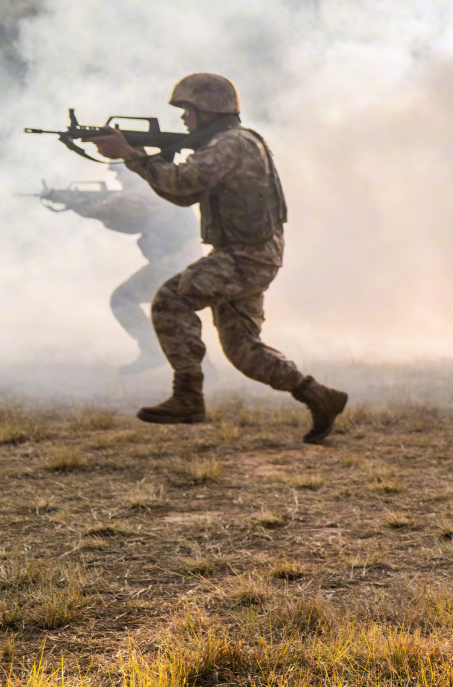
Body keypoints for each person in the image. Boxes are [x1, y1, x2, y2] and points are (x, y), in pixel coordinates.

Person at [91, 73, 348, 442]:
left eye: (187, 110)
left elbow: (181, 183)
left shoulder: (231, 144)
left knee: (169, 300)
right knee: (243, 350)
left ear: (207, 109)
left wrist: (132, 155)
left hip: (246, 256)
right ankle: (320, 396)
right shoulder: (232, 143)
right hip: (250, 254)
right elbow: (182, 195)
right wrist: (141, 160)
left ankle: (188, 397)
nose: (183, 119)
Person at [37, 164, 200, 373]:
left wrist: (66, 199)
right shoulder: (158, 189)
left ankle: (153, 350)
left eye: (121, 175)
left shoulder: (145, 193)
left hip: (174, 262)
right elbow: (126, 224)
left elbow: (108, 211)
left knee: (123, 299)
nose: (119, 181)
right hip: (181, 260)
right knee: (173, 312)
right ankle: (202, 370)